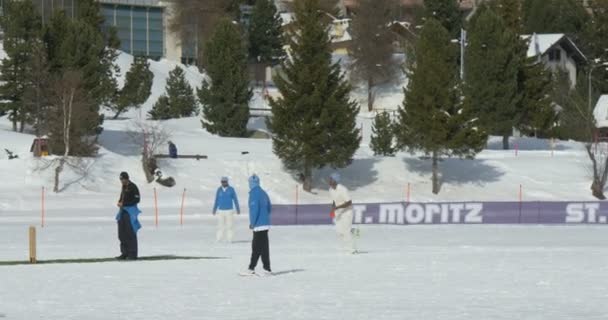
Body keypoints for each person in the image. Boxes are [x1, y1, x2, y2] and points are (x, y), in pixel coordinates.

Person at [240, 174, 272, 276]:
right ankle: (267, 269)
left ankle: (251, 268)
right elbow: (269, 207)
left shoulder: (253, 194)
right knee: (263, 248)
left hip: (258, 225)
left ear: (251, 183)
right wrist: (265, 217)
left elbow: (254, 210)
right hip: (265, 224)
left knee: (256, 247)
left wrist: (252, 223)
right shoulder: (263, 192)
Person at [116, 172, 141, 260]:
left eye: (123, 179)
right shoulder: (123, 187)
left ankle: (132, 254)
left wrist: (125, 204)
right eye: (121, 180)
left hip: (130, 212)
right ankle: (124, 253)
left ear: (127, 178)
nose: (122, 181)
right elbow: (122, 197)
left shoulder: (133, 187)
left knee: (130, 233)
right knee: (122, 233)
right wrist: (119, 202)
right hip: (122, 211)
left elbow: (137, 199)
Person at [328, 172, 356, 254]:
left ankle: (352, 249)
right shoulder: (330, 189)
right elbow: (334, 200)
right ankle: (354, 232)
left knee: (346, 230)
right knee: (339, 231)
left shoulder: (343, 189)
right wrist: (333, 208)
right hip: (338, 212)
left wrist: (338, 207)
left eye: (331, 179)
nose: (329, 180)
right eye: (329, 179)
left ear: (335, 180)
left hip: (347, 211)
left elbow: (349, 202)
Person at [212, 176, 241, 242]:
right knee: (220, 226)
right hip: (221, 210)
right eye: (222, 182)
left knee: (229, 226)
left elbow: (235, 199)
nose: (223, 183)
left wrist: (238, 209)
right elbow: (216, 200)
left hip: (229, 210)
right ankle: (219, 239)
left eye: (224, 182)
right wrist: (214, 209)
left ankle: (229, 239)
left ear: (227, 182)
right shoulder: (219, 189)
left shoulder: (231, 189)